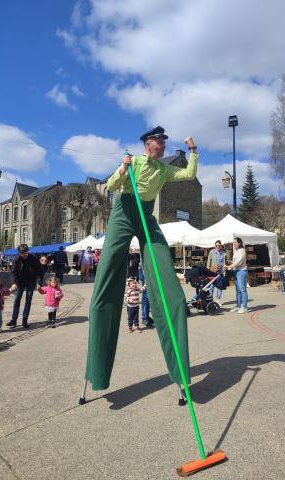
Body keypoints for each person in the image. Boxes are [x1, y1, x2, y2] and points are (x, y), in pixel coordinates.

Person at [85, 127, 199, 391]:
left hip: (146, 217)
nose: (164, 144)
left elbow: (189, 174)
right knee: (108, 276)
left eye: (164, 141)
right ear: (149, 144)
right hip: (123, 214)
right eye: (160, 141)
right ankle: (98, 371)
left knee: (168, 285)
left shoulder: (163, 169)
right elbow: (112, 186)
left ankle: (180, 373)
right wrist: (123, 170)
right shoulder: (134, 161)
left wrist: (193, 151)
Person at [7, 244, 43, 329]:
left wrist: (39, 283)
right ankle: (14, 320)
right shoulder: (17, 259)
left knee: (28, 300)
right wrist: (14, 283)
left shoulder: (34, 259)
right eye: (22, 253)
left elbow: (40, 271)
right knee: (17, 300)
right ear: (19, 253)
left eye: (26, 253)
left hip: (31, 281)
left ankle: (24, 320)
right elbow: (14, 272)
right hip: (20, 282)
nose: (24, 255)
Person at [225, 237, 249, 313]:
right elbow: (235, 261)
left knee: (242, 290)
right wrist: (230, 263)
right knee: (238, 290)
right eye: (233, 242)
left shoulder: (242, 250)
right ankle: (238, 305)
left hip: (242, 271)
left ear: (239, 243)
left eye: (235, 242)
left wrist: (229, 266)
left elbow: (239, 262)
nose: (234, 244)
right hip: (236, 271)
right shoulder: (236, 250)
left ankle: (244, 307)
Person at [206, 240, 225, 306]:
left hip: (220, 272)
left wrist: (224, 271)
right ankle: (210, 300)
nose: (217, 246)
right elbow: (209, 261)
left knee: (219, 287)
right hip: (212, 271)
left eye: (219, 245)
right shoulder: (212, 252)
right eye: (216, 245)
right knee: (211, 286)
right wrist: (207, 271)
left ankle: (218, 300)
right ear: (215, 246)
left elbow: (224, 263)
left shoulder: (223, 253)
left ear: (221, 246)